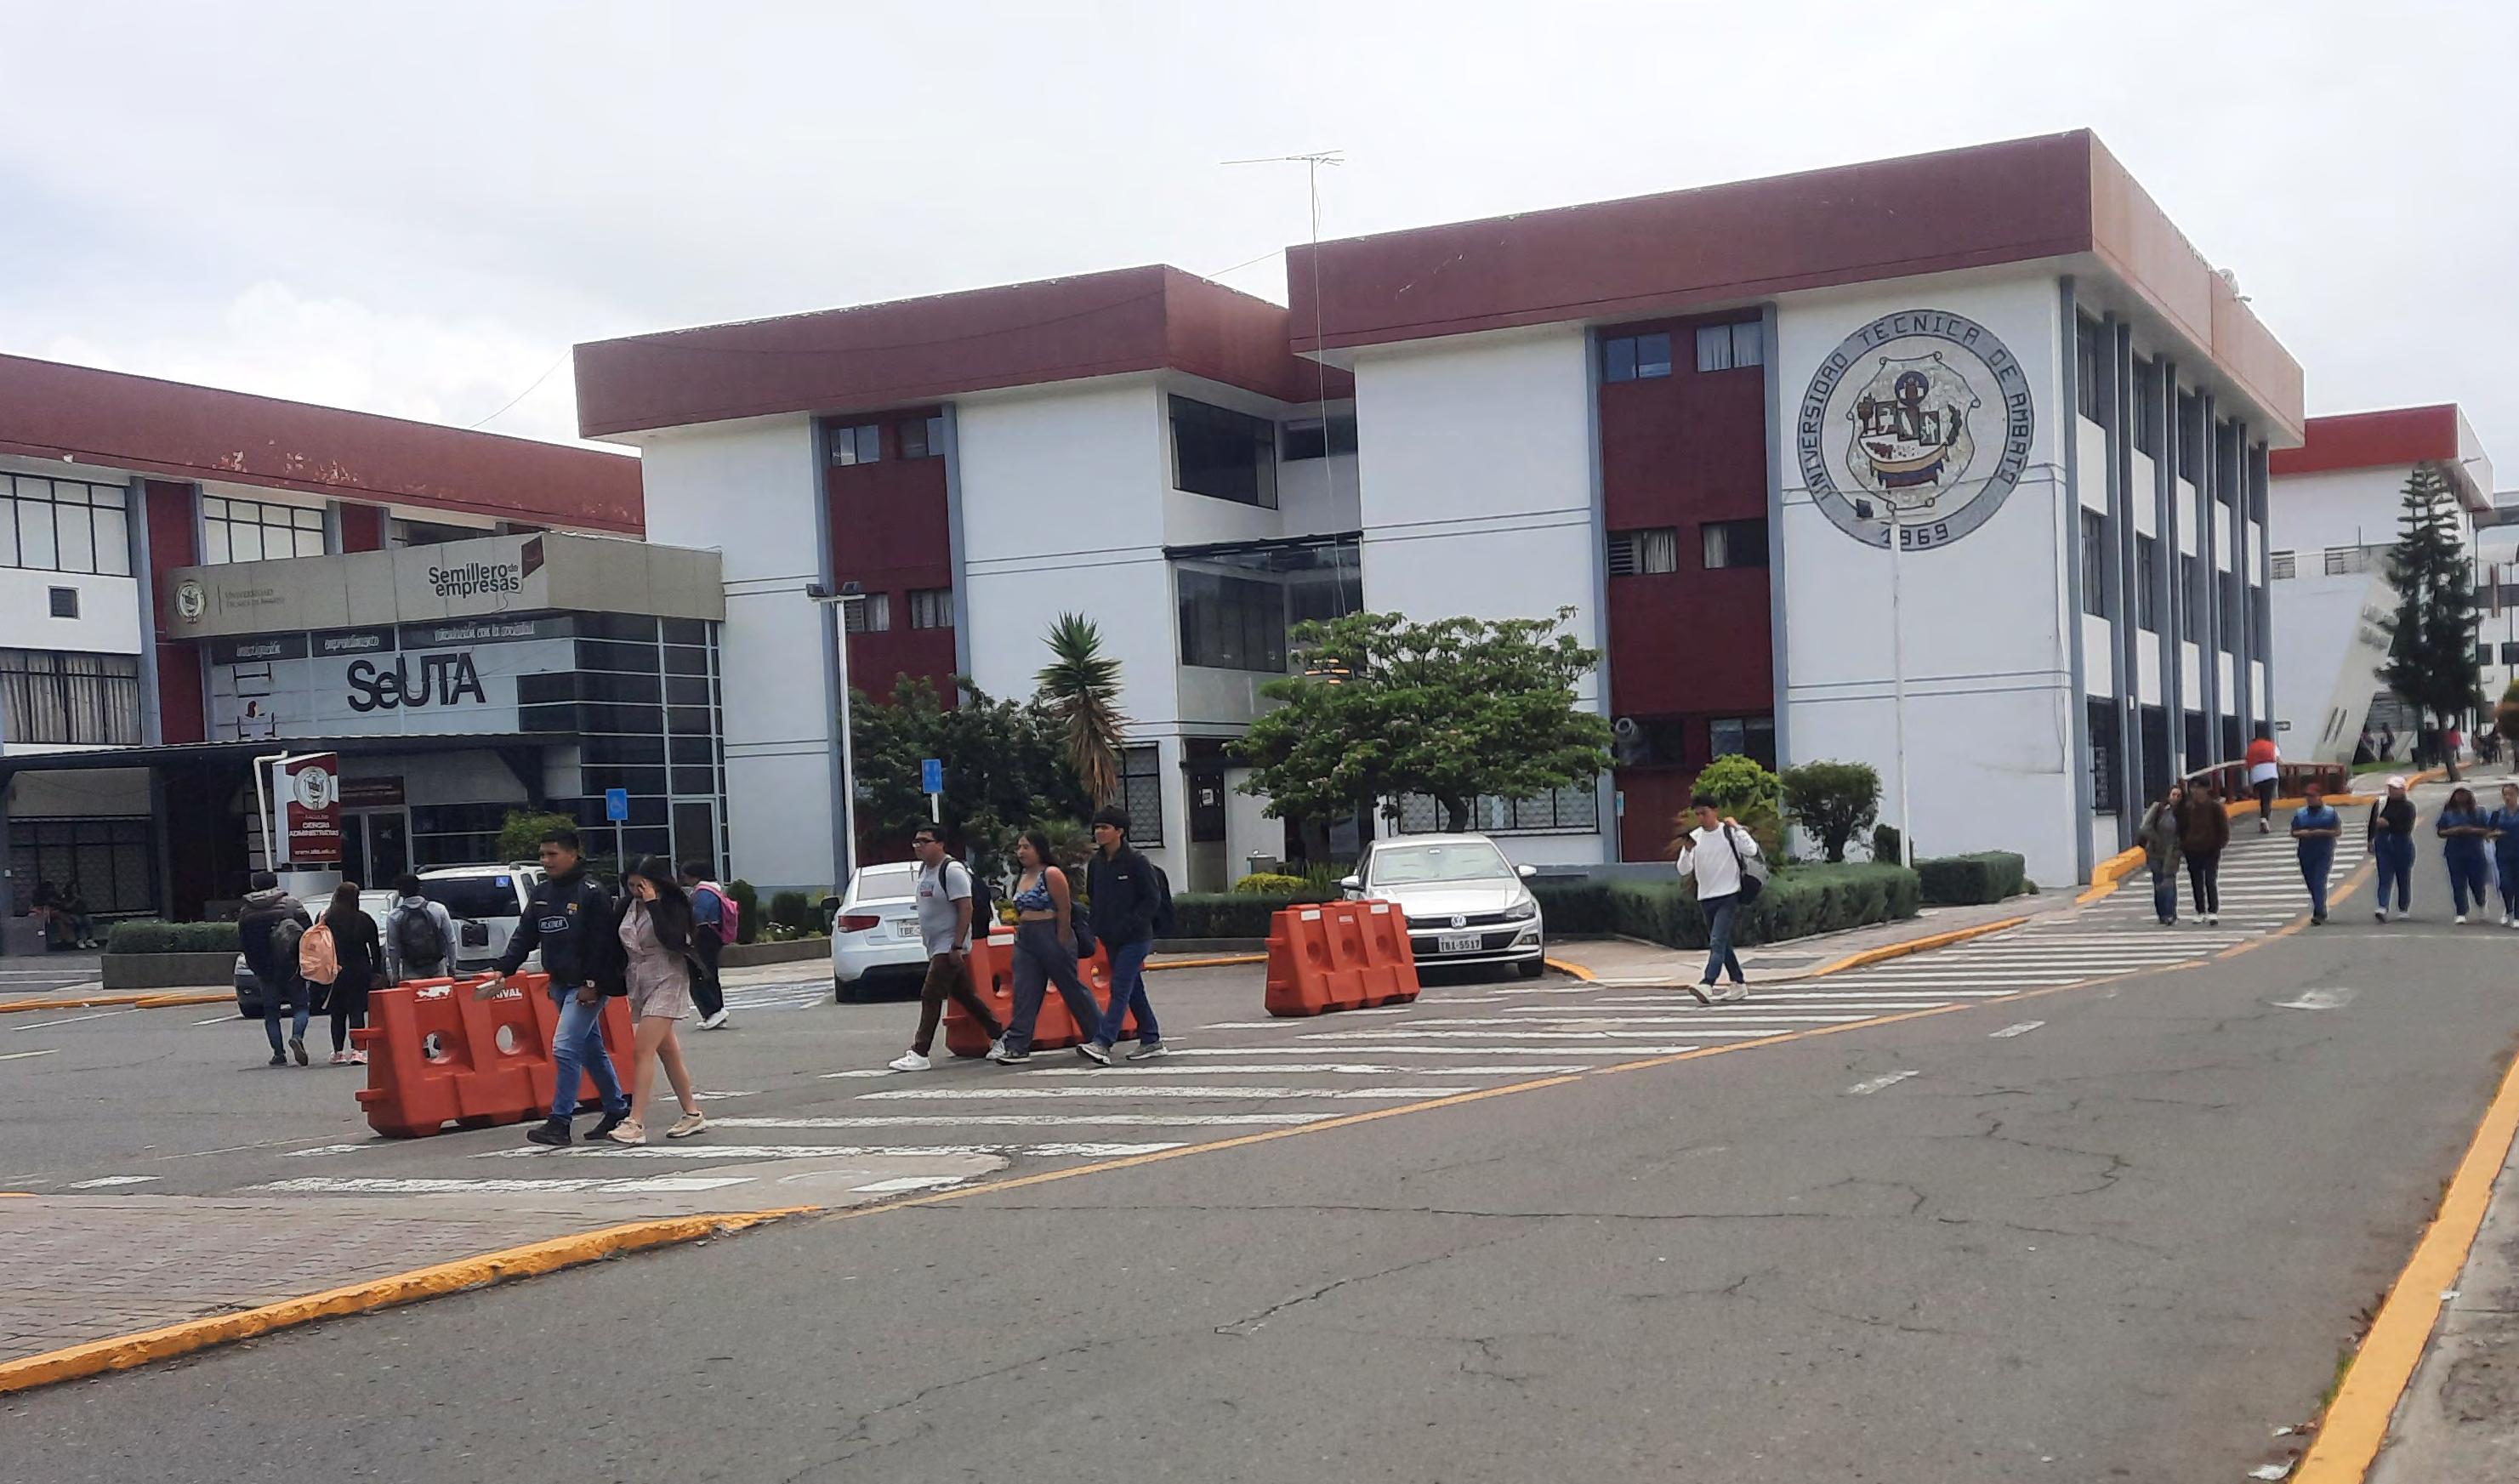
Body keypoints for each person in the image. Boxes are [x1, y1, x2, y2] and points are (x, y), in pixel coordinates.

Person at [477, 827, 630, 1146]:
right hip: (559, 984)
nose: (546, 860)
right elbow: (525, 934)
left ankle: (559, 1122)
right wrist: (504, 968)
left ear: (574, 854)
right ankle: (617, 1109)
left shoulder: (592, 892)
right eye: (542, 855)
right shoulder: (542, 893)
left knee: (564, 1048)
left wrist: (593, 984)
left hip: (586, 987)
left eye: (553, 854)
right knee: (590, 1050)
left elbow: (603, 944)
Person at [606, 856, 708, 1145]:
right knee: (668, 1051)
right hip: (639, 980)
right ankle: (692, 1113)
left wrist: (653, 903)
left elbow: (672, 939)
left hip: (669, 977)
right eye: (632, 885)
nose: (636, 891)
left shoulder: (672, 904)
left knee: (642, 1049)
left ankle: (635, 1121)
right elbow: (613, 942)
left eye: (642, 885)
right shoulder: (626, 906)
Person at [887, 823, 1004, 1072]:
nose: (918, 846)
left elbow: (966, 907)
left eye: (925, 841)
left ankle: (920, 1051)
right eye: (916, 841)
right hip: (935, 945)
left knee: (930, 994)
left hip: (949, 944)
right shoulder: (924, 870)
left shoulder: (952, 871)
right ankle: (1000, 1035)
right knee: (964, 995)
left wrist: (957, 945)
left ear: (940, 844)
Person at [992, 829, 1106, 1066]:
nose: (1021, 852)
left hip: (1051, 932)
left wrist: (1061, 939)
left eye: (1026, 847)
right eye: (1019, 847)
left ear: (1039, 849)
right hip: (1026, 937)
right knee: (1025, 991)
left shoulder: (1051, 874)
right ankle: (1017, 1046)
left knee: (1071, 987)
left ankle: (1100, 1036)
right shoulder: (1022, 875)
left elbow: (1064, 909)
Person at [1082, 806, 1169, 1065]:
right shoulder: (1096, 864)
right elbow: (1093, 896)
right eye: (1097, 827)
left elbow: (1151, 899)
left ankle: (1103, 1042)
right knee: (1133, 990)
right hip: (1110, 937)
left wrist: (1132, 923)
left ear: (1120, 831)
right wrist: (1097, 927)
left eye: (1105, 827)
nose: (1099, 832)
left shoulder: (1136, 861)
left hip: (1136, 937)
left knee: (1120, 987)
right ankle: (1151, 1039)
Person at [1674, 796, 1761, 1003]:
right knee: (1723, 943)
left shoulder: (1728, 832)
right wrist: (1687, 851)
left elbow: (1752, 850)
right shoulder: (1695, 837)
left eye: (1704, 813)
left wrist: (1738, 828)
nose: (1700, 818)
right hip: (1705, 897)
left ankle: (1707, 983)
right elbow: (1683, 869)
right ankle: (1738, 983)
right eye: (1697, 814)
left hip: (1728, 895)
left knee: (1717, 941)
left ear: (1715, 811)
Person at [236, 872, 313, 1067]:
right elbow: (308, 932)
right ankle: (297, 1036)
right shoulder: (291, 904)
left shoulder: (246, 911)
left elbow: (244, 941)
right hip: (291, 964)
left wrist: (255, 964)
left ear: (255, 886)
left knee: (271, 1013)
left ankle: (279, 1053)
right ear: (276, 883)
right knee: (301, 1007)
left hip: (264, 968)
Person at [312, 883, 384, 1065]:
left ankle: (338, 1052)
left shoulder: (326, 919)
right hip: (360, 969)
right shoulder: (364, 919)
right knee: (356, 1010)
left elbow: (317, 945)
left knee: (337, 1012)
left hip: (334, 969)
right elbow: (375, 949)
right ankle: (358, 1050)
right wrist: (377, 971)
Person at [678, 861, 733, 1031]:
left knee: (699, 974)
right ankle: (714, 1012)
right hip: (710, 935)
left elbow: (697, 915)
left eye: (685, 875)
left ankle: (713, 1011)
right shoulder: (713, 890)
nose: (684, 879)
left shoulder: (703, 892)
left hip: (702, 936)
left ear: (695, 876)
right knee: (708, 973)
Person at [383, 873, 456, 985]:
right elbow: (451, 940)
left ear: (401, 892)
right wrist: (452, 966)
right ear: (420, 889)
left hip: (411, 970)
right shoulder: (438, 909)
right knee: (441, 994)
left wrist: (395, 975)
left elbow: (393, 948)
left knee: (415, 995)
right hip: (437, 967)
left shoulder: (395, 916)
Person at [2437, 786, 2494, 925]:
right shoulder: (2448, 813)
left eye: (2464, 794)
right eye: (2458, 794)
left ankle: (2481, 903)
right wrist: (2454, 831)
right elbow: (2440, 831)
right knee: (2458, 883)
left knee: (2477, 882)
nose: (2461, 797)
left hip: (2475, 852)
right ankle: (2461, 912)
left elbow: (2489, 829)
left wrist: (2471, 830)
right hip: (2454, 853)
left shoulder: (2479, 812)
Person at [2179, 780, 2231, 925]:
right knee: (2196, 881)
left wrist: (2219, 844)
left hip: (2211, 849)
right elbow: (2182, 827)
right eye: (2193, 788)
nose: (2196, 791)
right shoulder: (2188, 808)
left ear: (2206, 789)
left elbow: (2223, 827)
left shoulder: (2215, 807)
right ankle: (2200, 911)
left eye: (2199, 788)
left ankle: (2213, 911)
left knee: (2210, 879)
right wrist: (2184, 845)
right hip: (2192, 850)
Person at [2289, 785, 2343, 926]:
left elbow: (2337, 831)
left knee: (2319, 881)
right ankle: (2321, 907)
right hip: (2306, 851)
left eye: (2312, 796)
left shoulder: (2330, 813)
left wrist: (2321, 832)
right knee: (2311, 882)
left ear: (2319, 796)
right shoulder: (2300, 813)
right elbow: (2293, 832)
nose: (2310, 799)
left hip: (2324, 851)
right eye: (2307, 796)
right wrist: (2303, 833)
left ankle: (2319, 912)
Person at [2368, 776, 2418, 922]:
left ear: (2403, 790)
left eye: (2396, 788)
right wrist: (2370, 839)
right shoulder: (2381, 803)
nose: (2392, 791)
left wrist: (2388, 823)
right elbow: (2372, 823)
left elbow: (2406, 827)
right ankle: (2382, 906)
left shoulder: (2408, 807)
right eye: (2390, 788)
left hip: (2402, 842)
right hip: (2383, 843)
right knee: (2384, 875)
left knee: (2403, 877)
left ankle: (2403, 908)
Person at [2138, 784, 2184, 926]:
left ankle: (2170, 914)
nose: (2176, 798)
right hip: (2155, 852)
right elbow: (2144, 827)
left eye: (2179, 796)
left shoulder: (2183, 813)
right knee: (2159, 883)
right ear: (2168, 795)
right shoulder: (2158, 808)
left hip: (2172, 854)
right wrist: (2157, 840)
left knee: (2169, 882)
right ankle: (2162, 914)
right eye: (2173, 794)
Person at [2490, 783, 2519, 928]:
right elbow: (2488, 832)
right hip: (2503, 854)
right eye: (2505, 794)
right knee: (2505, 884)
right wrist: (2495, 834)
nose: (2508, 797)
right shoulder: (2498, 814)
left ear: (2517, 795)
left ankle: (2517, 916)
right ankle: (2508, 909)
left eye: (2511, 794)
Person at [2245, 729, 2281, 833]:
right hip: (2271, 775)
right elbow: (2278, 760)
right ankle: (2264, 819)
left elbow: (2246, 765)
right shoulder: (2272, 746)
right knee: (2267, 799)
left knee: (2263, 799)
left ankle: (2263, 818)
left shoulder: (2251, 747)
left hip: (2257, 777)